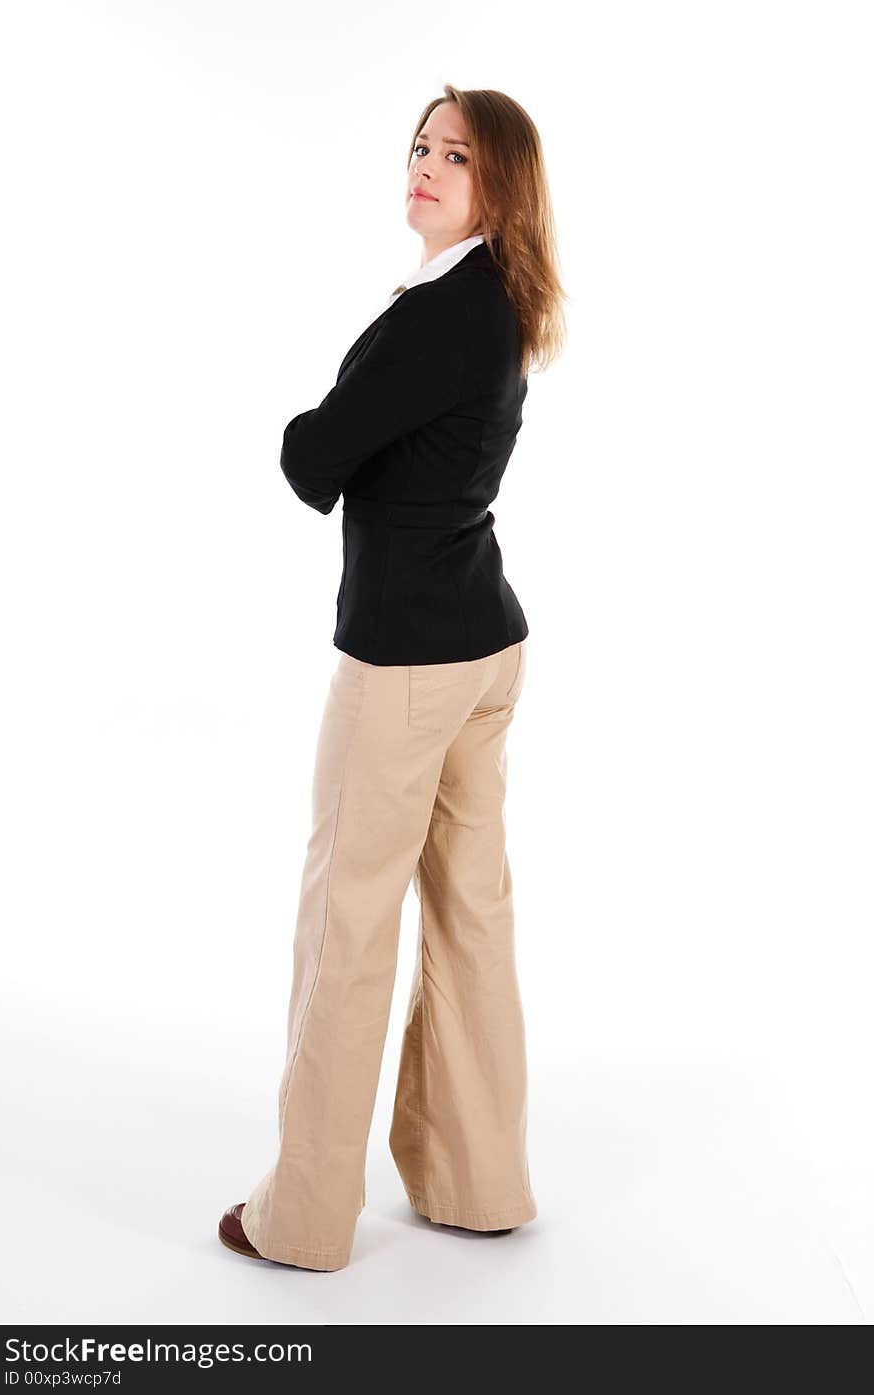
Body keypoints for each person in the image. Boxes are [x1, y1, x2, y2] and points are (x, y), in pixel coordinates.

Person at [218, 85, 567, 1271]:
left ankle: (302, 1220)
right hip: (484, 648)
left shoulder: (437, 316)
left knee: (346, 926)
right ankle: (479, 1183)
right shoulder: (498, 300)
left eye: (451, 155)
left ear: (497, 184)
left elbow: (313, 459)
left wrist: (312, 430)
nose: (421, 166)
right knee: (471, 919)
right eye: (418, 146)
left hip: (409, 665)